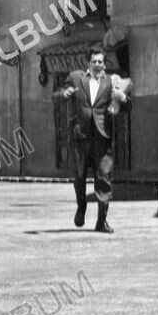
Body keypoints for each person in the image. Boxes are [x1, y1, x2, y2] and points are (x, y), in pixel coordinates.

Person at [53, 47, 132, 234]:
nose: (97, 65)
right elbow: (56, 95)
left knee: (104, 178)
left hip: (102, 137)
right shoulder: (75, 78)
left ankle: (101, 221)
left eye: (100, 62)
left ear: (105, 64)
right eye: (94, 61)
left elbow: (127, 106)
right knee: (79, 177)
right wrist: (63, 95)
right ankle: (81, 207)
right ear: (88, 63)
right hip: (80, 137)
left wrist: (123, 98)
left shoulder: (111, 82)